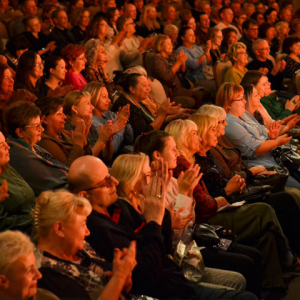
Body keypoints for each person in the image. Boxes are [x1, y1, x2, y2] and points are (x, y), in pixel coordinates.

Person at [68, 155, 258, 300]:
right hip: (170, 281)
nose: (114, 183)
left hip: (179, 268)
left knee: (248, 266)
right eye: (106, 182)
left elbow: (165, 242)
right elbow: (151, 267)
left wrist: (166, 208)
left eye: (111, 177)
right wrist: (159, 217)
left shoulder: (122, 205)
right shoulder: (95, 227)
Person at [166, 118, 300, 290]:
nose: (199, 137)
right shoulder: (183, 165)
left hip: (222, 204)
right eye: (194, 133)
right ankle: (288, 260)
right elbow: (203, 207)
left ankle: (274, 285)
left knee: (267, 227)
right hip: (206, 222)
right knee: (265, 210)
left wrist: (232, 187)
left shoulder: (196, 158)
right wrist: (226, 194)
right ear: (182, 139)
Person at [133, 129, 263, 297]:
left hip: (193, 241)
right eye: (173, 149)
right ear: (157, 155)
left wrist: (185, 193)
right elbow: (176, 235)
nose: (177, 153)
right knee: (245, 266)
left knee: (254, 255)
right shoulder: (150, 192)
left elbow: (189, 221)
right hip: (181, 253)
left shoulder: (173, 180)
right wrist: (184, 192)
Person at [190, 112, 300, 258]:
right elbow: (212, 197)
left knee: (286, 195)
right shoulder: (199, 162)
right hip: (226, 204)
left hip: (237, 191)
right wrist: (241, 180)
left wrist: (241, 179)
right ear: (202, 133)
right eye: (215, 126)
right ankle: (290, 256)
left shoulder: (210, 151)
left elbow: (232, 171)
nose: (222, 127)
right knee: (282, 200)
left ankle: (291, 254)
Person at [33, 190, 138, 300]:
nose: (88, 232)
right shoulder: (44, 275)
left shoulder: (81, 246)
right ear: (59, 228)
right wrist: (119, 277)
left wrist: (125, 281)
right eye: (83, 224)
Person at [216, 82, 300, 190]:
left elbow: (263, 132)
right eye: (241, 99)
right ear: (228, 103)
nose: (244, 101)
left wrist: (272, 136)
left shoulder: (243, 113)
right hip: (262, 165)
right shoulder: (229, 123)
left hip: (275, 157)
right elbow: (255, 148)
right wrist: (277, 141)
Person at [4, 101, 68, 196]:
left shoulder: (32, 146)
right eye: (36, 126)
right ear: (20, 132)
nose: (42, 129)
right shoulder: (20, 156)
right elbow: (53, 185)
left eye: (40, 124)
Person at [63, 90, 127, 160]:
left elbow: (107, 157)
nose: (92, 107)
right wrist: (101, 140)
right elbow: (86, 160)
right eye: (88, 104)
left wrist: (108, 138)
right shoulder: (68, 130)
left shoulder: (90, 126)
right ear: (75, 108)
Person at [152, 34, 211, 108]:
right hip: (171, 91)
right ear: (160, 46)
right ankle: (198, 116)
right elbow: (166, 76)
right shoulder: (157, 59)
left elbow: (182, 73)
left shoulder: (171, 56)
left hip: (180, 86)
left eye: (171, 44)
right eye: (168, 44)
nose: (171, 46)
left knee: (206, 92)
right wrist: (178, 62)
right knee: (200, 95)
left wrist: (182, 63)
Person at [0, 230, 60, 300]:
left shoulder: (47, 298)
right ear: (2, 281)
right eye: (29, 270)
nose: (39, 275)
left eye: (35, 265)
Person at [35, 96, 92, 166]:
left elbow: (89, 158)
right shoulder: (44, 141)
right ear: (45, 119)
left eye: (63, 113)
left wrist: (84, 142)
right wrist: (79, 143)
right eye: (59, 114)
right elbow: (68, 167)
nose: (65, 117)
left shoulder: (64, 133)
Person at [111, 73, 169, 139]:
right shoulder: (126, 106)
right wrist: (162, 115)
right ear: (132, 89)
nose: (149, 90)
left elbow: (152, 120)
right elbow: (146, 134)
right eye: (144, 86)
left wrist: (172, 116)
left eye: (148, 86)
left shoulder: (136, 100)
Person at [83, 81, 133, 154]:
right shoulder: (92, 121)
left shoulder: (109, 114)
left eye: (108, 97)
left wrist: (125, 120)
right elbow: (113, 149)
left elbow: (129, 139)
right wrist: (119, 122)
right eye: (104, 97)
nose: (109, 100)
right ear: (93, 98)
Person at [176, 27, 216, 93]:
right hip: (197, 79)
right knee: (217, 86)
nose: (193, 37)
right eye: (190, 35)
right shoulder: (181, 50)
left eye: (194, 35)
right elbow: (194, 65)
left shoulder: (197, 47)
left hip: (207, 75)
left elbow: (209, 63)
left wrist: (208, 50)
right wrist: (205, 53)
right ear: (183, 38)